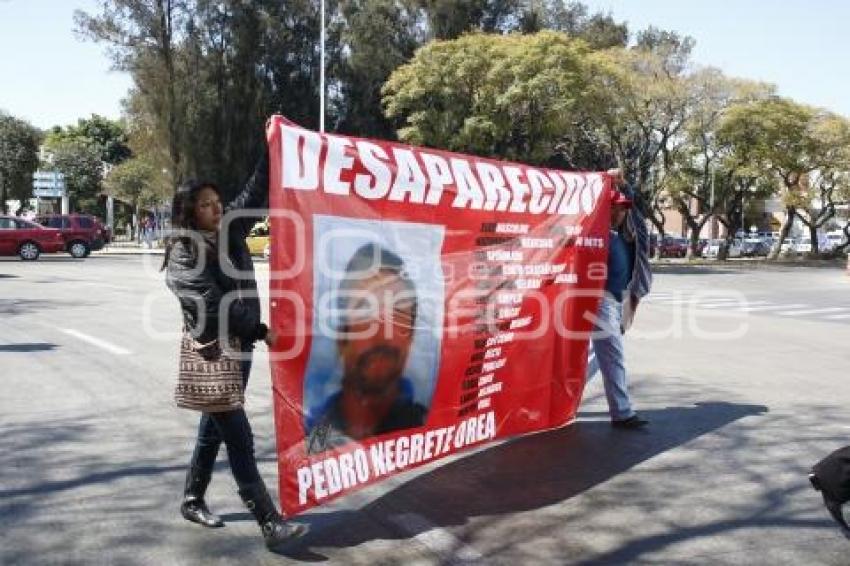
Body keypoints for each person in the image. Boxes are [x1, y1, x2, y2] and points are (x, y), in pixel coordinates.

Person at [162, 149, 307, 549]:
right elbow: (211, 308)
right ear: (189, 212)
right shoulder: (183, 252)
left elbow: (255, 194)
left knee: (213, 430)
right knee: (239, 436)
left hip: (240, 349)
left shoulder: (229, 230)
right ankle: (269, 521)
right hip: (214, 352)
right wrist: (261, 329)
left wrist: (270, 147)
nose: (216, 208)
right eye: (205, 204)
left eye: (217, 201)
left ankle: (192, 499)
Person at [306, 243, 427, 454]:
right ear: (342, 337)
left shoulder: (426, 430)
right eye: (365, 310)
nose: (383, 333)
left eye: (397, 313)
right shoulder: (315, 432)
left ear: (411, 338)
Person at [586, 168, 653, 429]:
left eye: (622, 208)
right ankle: (622, 412)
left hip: (619, 303)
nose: (619, 212)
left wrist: (624, 185)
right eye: (613, 207)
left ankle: (564, 401)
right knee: (612, 353)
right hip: (598, 301)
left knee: (596, 357)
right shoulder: (594, 234)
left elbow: (636, 211)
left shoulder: (632, 237)